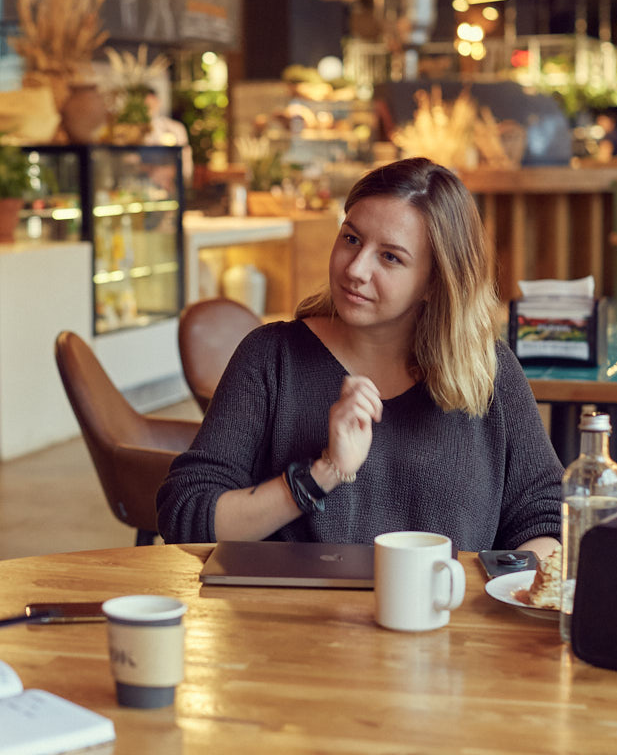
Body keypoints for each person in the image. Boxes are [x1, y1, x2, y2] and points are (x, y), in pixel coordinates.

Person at [157, 157, 562, 556]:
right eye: (351, 238)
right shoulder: (271, 357)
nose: (355, 269)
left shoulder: (488, 370)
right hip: (291, 618)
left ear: (435, 283)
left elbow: (548, 517)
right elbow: (188, 518)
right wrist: (325, 472)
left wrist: (508, 594)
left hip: (447, 617)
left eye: (390, 257)